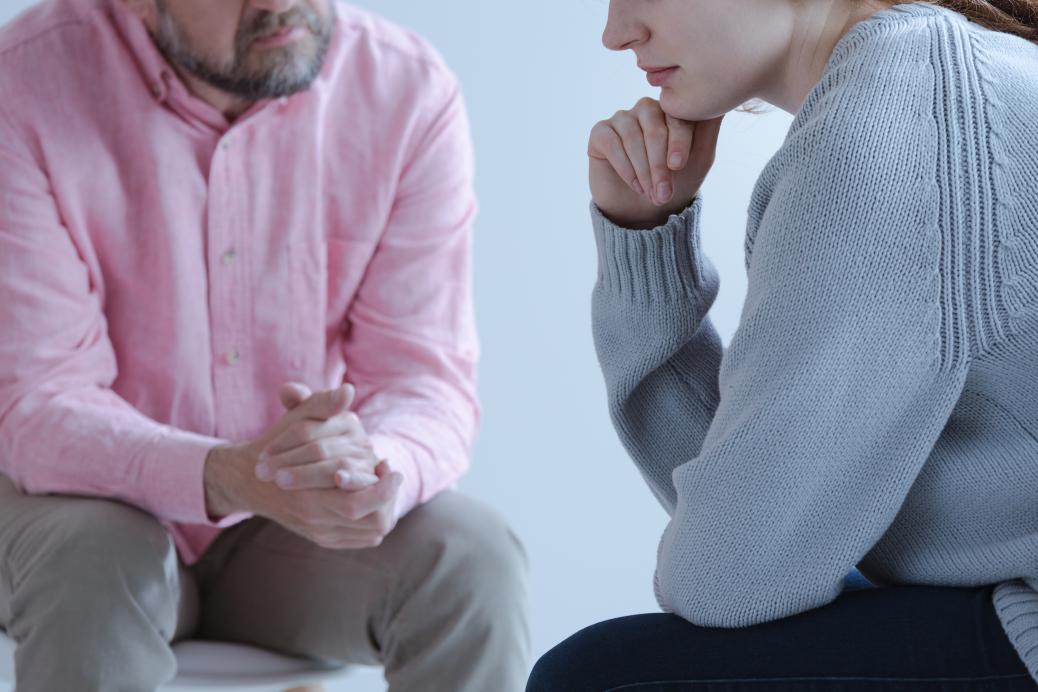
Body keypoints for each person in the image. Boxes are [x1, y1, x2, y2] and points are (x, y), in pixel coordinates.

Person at [0, 1, 530, 690]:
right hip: (74, 507)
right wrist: (222, 474)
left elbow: (424, 381)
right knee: (97, 560)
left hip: (285, 534)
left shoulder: (406, 94)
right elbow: (36, 403)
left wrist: (367, 470)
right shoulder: (25, 82)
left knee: (471, 560)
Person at [528, 0, 1038, 689]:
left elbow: (729, 575)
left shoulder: (899, 110)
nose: (616, 34)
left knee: (597, 677)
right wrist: (646, 238)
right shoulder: (940, 77)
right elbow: (758, 529)